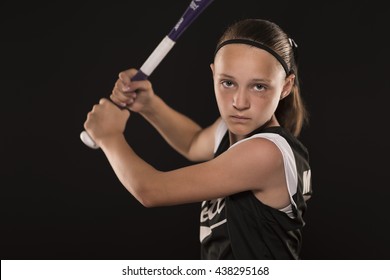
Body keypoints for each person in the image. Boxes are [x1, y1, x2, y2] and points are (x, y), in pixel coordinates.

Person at [83, 18, 312, 259]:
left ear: (286, 86)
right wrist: (149, 105)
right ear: (213, 74)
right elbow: (193, 143)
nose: (239, 102)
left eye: (259, 87)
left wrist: (109, 137)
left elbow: (151, 190)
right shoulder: (232, 129)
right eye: (228, 83)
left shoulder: (265, 153)